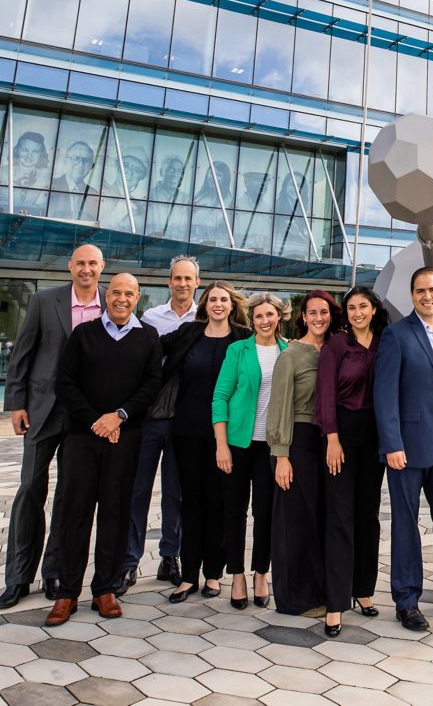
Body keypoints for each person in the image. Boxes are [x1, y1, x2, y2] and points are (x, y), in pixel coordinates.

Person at [45, 274, 162, 626]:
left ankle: (105, 589)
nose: (122, 298)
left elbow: (151, 385)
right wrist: (97, 421)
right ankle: (67, 593)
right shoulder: (85, 334)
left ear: (137, 298)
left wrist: (119, 417)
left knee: (115, 512)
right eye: (115, 292)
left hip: (125, 439)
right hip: (83, 438)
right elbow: (65, 383)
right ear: (105, 296)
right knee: (74, 514)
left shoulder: (148, 337)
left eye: (129, 293)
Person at [1, 244, 105, 609]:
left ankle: (55, 572)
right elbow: (22, 355)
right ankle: (17, 576)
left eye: (93, 263)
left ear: (101, 267)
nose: (87, 269)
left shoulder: (113, 302)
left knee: (69, 497)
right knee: (30, 488)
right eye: (81, 263)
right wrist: (15, 403)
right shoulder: (46, 301)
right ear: (70, 267)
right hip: (43, 409)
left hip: (84, 417)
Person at [373, 267, 433, 631]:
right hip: (408, 446)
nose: (427, 296)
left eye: (432, 289)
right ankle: (407, 599)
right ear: (412, 295)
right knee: (405, 522)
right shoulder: (396, 335)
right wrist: (392, 444)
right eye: (420, 291)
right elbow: (384, 395)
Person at [163, 282, 251, 603]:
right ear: (205, 304)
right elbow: (150, 346)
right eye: (212, 299)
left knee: (219, 503)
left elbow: (275, 351)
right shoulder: (189, 333)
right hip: (187, 432)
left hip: (228, 436)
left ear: (231, 305)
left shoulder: (243, 338)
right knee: (191, 502)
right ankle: (188, 576)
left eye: (223, 300)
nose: (217, 304)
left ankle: (213, 574)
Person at [118, 256, 201, 596]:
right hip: (150, 417)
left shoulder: (205, 317)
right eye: (177, 278)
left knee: (176, 493)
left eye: (188, 279)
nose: (182, 284)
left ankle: (170, 556)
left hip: (184, 418)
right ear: (169, 282)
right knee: (137, 489)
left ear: (198, 283)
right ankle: (129, 560)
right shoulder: (149, 318)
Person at [315, 287, 389, 637]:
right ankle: (335, 602)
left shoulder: (384, 342)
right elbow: (325, 393)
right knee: (340, 517)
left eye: (363, 306)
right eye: (352, 307)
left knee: (367, 516)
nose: (357, 312)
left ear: (374, 309)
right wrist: (331, 438)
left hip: (374, 434)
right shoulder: (336, 345)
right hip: (341, 434)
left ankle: (363, 588)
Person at [212, 293, 290, 610]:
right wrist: (221, 445)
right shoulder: (237, 350)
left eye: (270, 314)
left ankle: (261, 573)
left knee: (265, 513)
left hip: (271, 447)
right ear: (251, 319)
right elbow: (219, 398)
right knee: (233, 512)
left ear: (279, 316)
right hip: (237, 444)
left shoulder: (289, 350)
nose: (265, 321)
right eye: (258, 316)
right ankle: (238, 575)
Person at [268, 290, 341, 616]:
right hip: (298, 441)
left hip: (328, 442)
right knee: (294, 522)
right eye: (312, 312)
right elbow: (278, 407)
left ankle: (320, 592)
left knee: (320, 520)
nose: (318, 318)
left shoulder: (337, 349)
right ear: (303, 316)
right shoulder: (291, 354)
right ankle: (293, 598)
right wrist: (281, 456)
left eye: (323, 311)